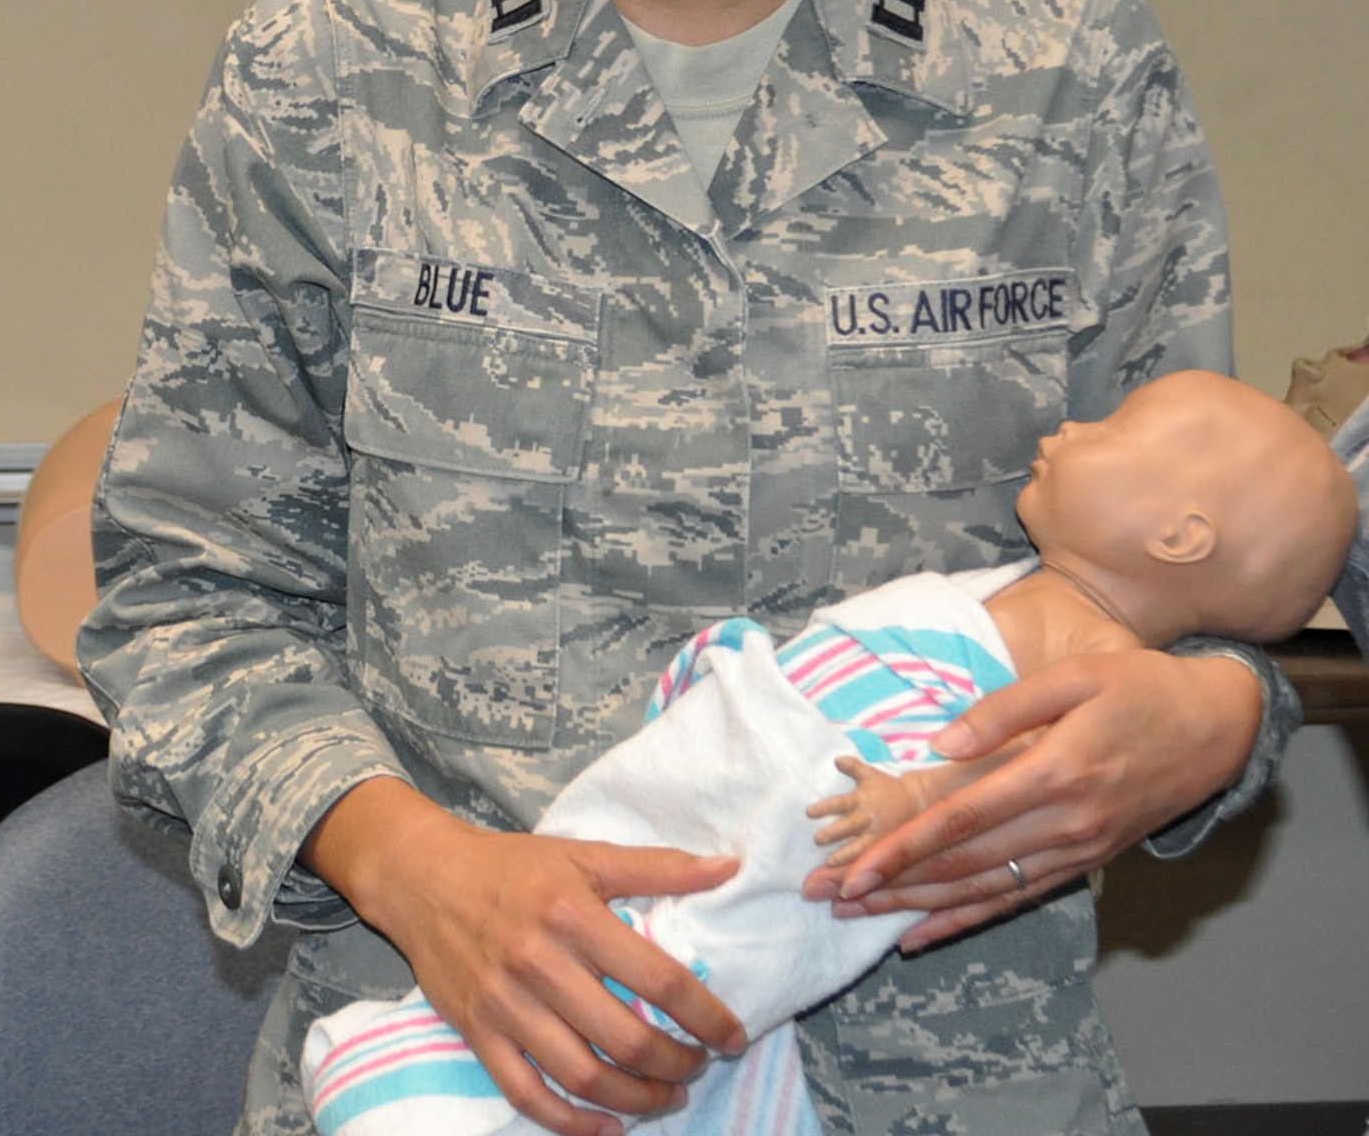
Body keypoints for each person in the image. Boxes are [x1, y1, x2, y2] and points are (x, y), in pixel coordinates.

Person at [79, 0, 1292, 1136]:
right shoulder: (337, 64)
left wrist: (1210, 728)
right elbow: (184, 602)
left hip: (950, 1093)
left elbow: (1214, 587)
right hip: (459, 1069)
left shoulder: (1063, 70)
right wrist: (431, 876)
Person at [297, 371, 1358, 1136]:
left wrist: (924, 801)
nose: (1070, 423)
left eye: (1115, 427)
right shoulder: (1003, 591)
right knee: (586, 949)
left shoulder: (1086, 650)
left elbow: (1016, 760)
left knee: (671, 973)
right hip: (662, 817)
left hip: (830, 860)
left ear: (1177, 537)